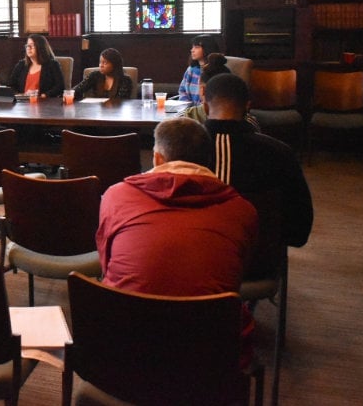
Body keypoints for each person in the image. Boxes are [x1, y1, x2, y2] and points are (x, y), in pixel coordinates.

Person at [96, 118, 258, 366]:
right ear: (208, 161)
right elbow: (236, 276)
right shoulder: (242, 210)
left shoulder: (116, 196)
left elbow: (106, 265)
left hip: (121, 352)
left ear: (157, 159)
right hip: (209, 360)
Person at [203, 73, 314, 253]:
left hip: (197, 259)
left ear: (205, 106)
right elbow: (299, 228)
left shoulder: (184, 152)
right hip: (261, 258)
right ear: (248, 106)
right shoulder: (280, 153)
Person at [8, 34, 65, 98]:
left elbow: (60, 86)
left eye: (32, 45)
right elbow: (11, 85)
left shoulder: (52, 64)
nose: (28, 48)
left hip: (43, 101)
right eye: (27, 45)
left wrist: (45, 95)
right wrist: (19, 95)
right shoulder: (21, 65)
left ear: (41, 47)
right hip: (22, 101)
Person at [177, 34, 221, 104]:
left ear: (207, 49)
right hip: (188, 108)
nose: (192, 50)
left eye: (196, 47)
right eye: (192, 47)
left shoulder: (217, 71)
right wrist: (187, 105)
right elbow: (182, 90)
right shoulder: (191, 70)